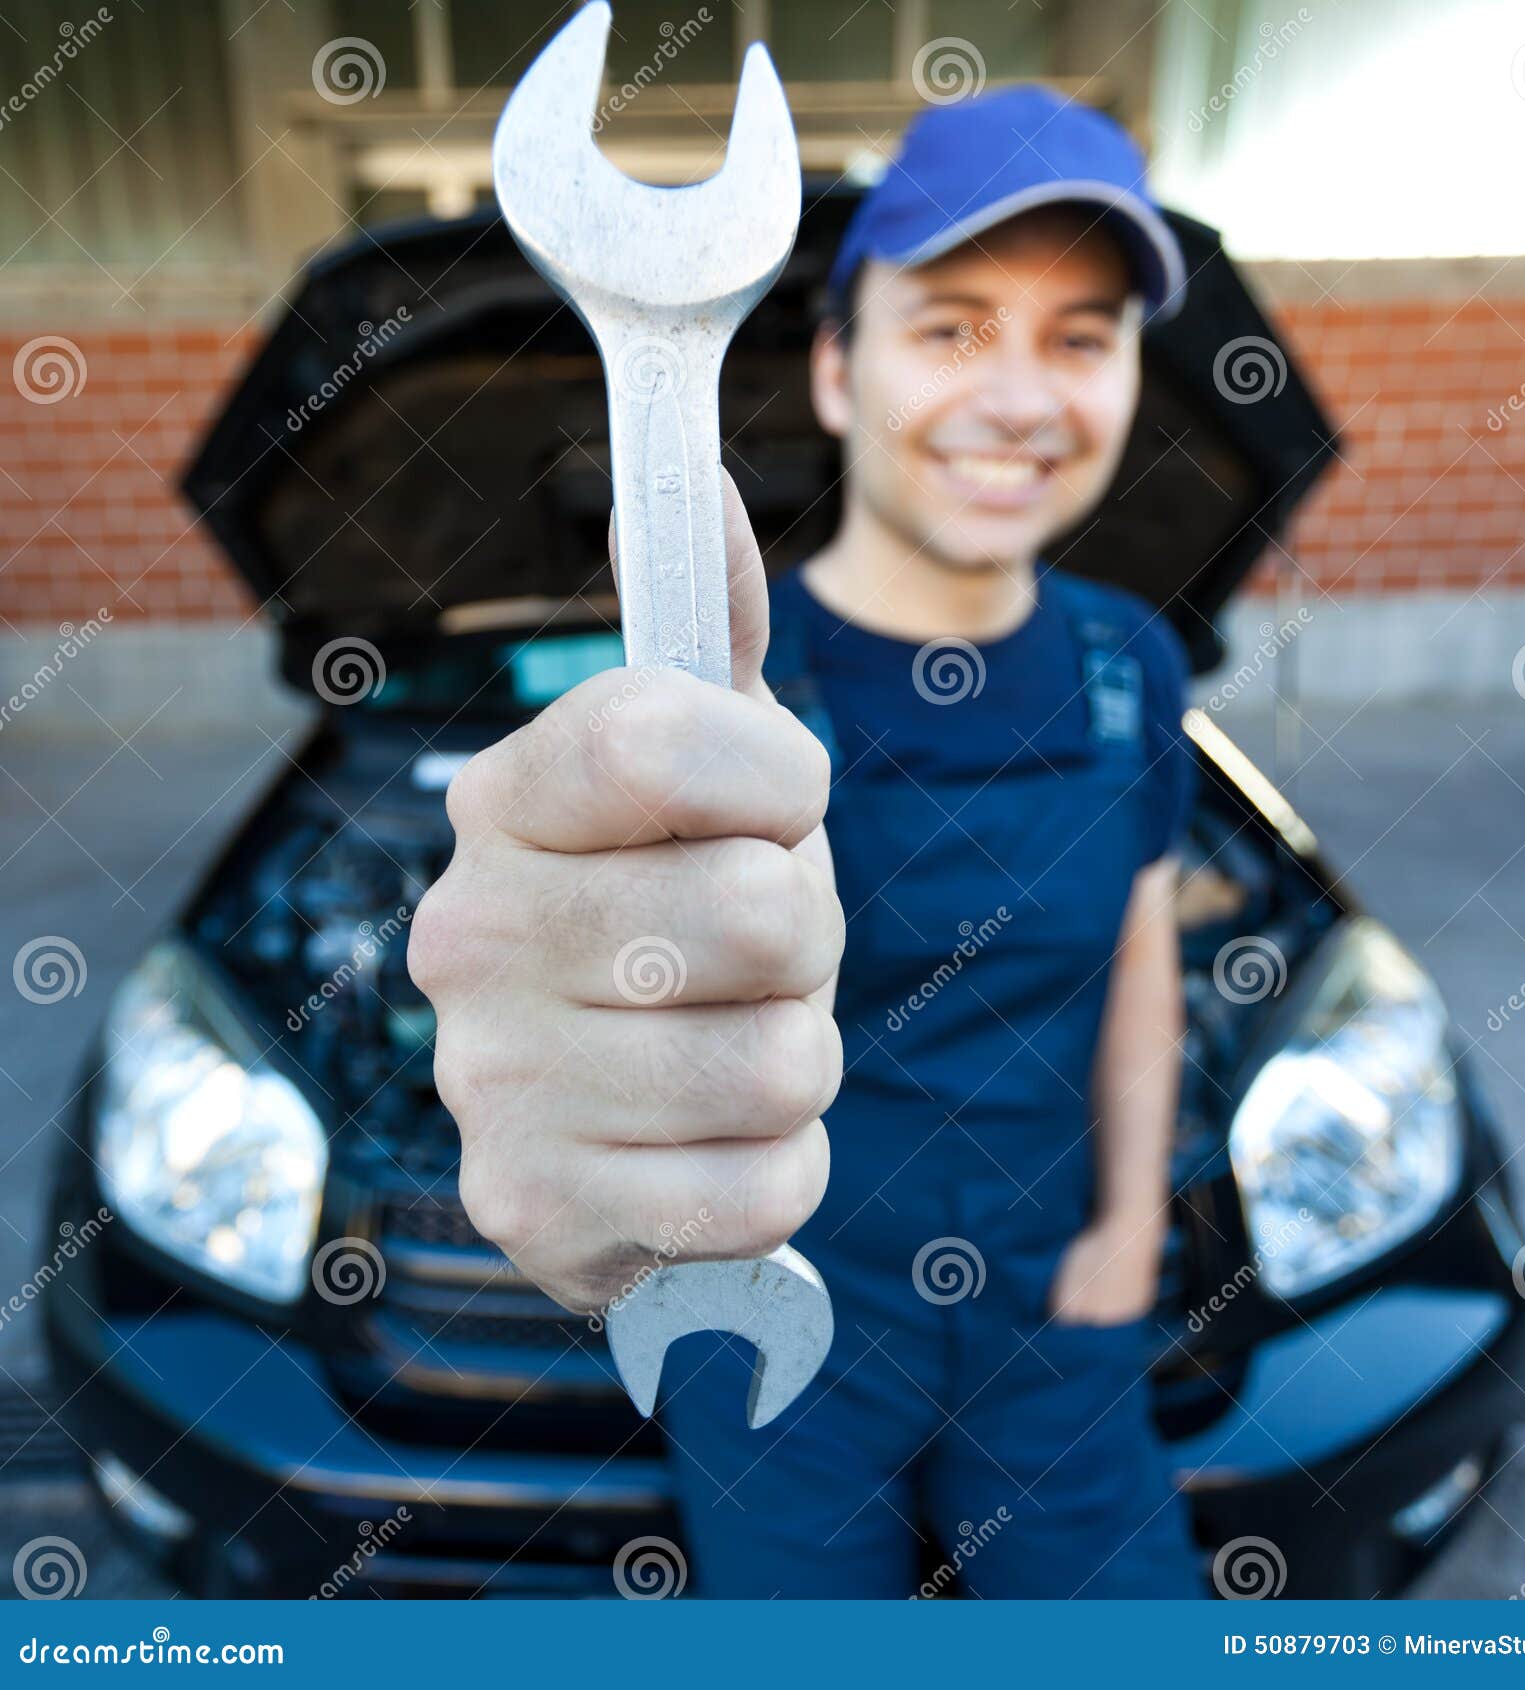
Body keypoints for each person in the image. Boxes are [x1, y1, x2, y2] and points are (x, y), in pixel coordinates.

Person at [408, 85, 1200, 1598]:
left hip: (1056, 1307)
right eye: (953, 327)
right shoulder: (704, 699)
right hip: (776, 1295)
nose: (1020, 398)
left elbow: (1140, 963)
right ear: (837, 370)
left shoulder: (1131, 666)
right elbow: (584, 945)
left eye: (1080, 337)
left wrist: (1129, 1228)